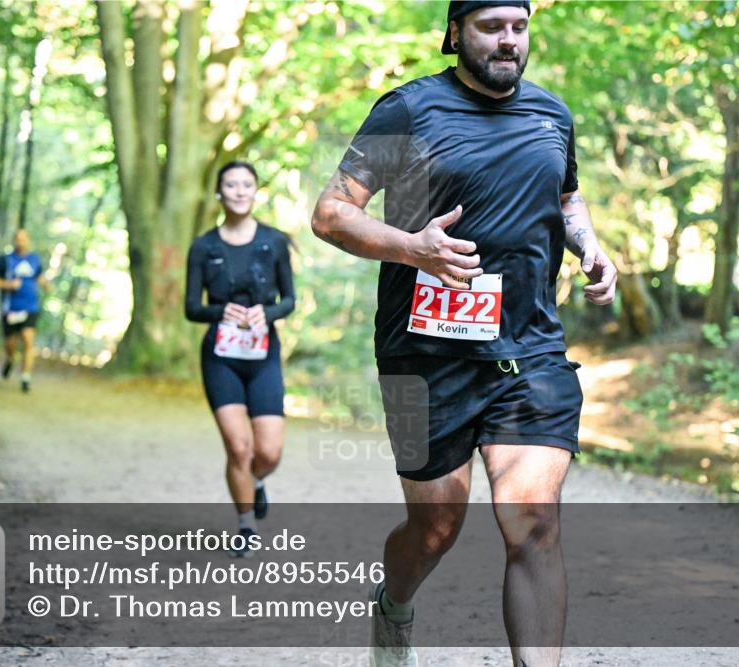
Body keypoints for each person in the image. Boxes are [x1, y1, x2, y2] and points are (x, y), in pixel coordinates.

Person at [311, 2, 617, 666]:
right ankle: (393, 604)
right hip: (423, 354)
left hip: (529, 348)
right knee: (436, 527)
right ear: (456, 33)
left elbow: (567, 199)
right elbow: (332, 213)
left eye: (518, 27)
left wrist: (591, 247)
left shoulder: (552, 114)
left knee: (534, 523)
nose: (508, 41)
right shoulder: (409, 110)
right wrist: (411, 247)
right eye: (490, 26)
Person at [185, 161, 296, 558]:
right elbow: (190, 308)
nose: (238, 191)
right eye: (230, 184)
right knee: (238, 447)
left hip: (263, 354)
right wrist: (221, 312)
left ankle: (258, 482)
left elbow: (289, 300)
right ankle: (246, 525)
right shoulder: (203, 247)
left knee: (267, 453)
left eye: (246, 184)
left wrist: (267, 313)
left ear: (255, 191)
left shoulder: (274, 242)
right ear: (219, 192)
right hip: (221, 356)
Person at [0, 229, 48, 393]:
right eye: (18, 239)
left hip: (30, 307)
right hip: (11, 309)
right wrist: (9, 285)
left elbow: (38, 276)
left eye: (24, 239)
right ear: (14, 241)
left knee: (29, 339)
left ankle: (25, 377)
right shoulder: (5, 260)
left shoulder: (34, 259)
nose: (21, 242)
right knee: (11, 344)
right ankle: (9, 359)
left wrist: (46, 284)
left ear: (28, 241)